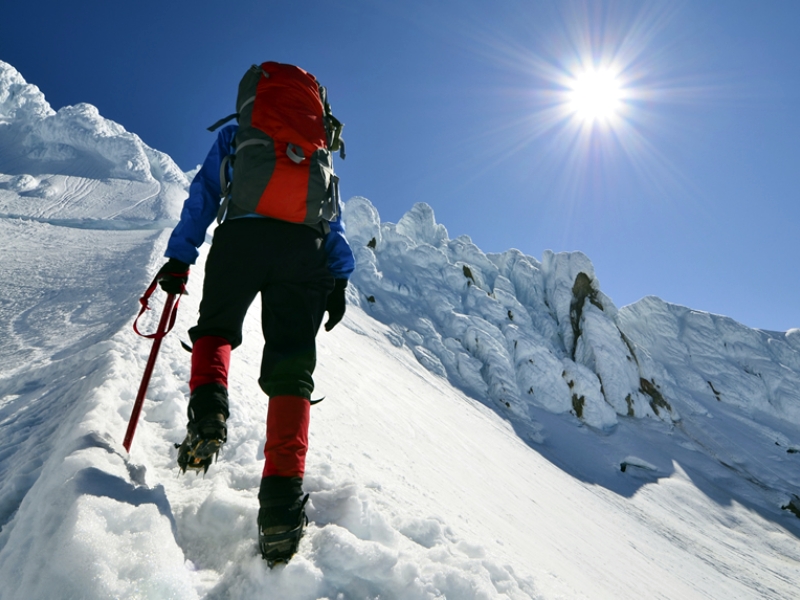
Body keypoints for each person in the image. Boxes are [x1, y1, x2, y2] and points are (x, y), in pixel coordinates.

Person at [156, 84, 355, 564]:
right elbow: (333, 219)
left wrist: (181, 256)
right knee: (291, 370)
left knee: (217, 328)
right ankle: (282, 509)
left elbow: (204, 192)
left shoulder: (238, 135)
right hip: (303, 251)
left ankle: (208, 409)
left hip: (240, 237)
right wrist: (338, 281)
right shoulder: (317, 149)